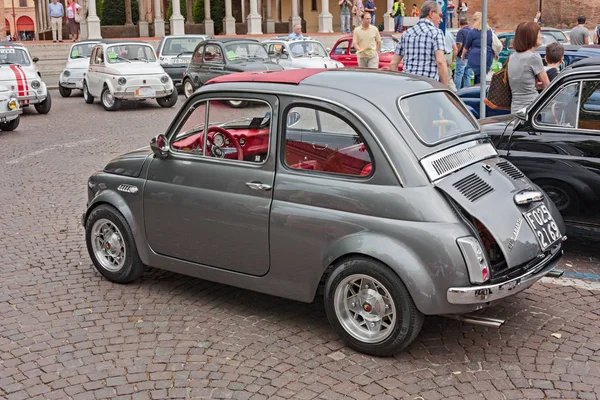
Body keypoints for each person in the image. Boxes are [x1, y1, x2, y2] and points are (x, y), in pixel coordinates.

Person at [389, 1, 448, 85]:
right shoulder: (436, 33)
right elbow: (440, 62)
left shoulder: (406, 33)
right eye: (440, 15)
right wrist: (444, 88)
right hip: (427, 86)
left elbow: (393, 64)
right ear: (431, 13)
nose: (441, 20)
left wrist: (398, 85)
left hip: (407, 85)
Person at [508, 21, 550, 113]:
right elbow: (547, 85)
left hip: (515, 107)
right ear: (531, 36)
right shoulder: (533, 57)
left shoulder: (512, 57)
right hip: (531, 107)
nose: (542, 36)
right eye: (539, 33)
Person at [463, 11, 493, 85]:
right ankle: (481, 91)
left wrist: (463, 55)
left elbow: (467, 46)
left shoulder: (472, 32)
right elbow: (493, 43)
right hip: (488, 55)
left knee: (473, 75)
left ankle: (476, 91)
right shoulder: (489, 31)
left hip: (475, 56)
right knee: (482, 76)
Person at [454, 18, 472, 89]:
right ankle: (467, 91)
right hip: (470, 56)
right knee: (467, 75)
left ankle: (456, 91)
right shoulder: (471, 31)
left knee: (458, 74)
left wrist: (456, 53)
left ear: (460, 24)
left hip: (462, 57)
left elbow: (459, 44)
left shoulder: (461, 32)